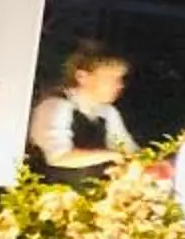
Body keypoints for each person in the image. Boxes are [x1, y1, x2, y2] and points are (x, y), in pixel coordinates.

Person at [29, 43, 137, 177]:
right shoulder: (55, 105)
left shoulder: (108, 113)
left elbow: (129, 150)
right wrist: (111, 155)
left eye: (120, 78)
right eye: (110, 78)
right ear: (82, 77)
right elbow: (58, 157)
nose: (119, 85)